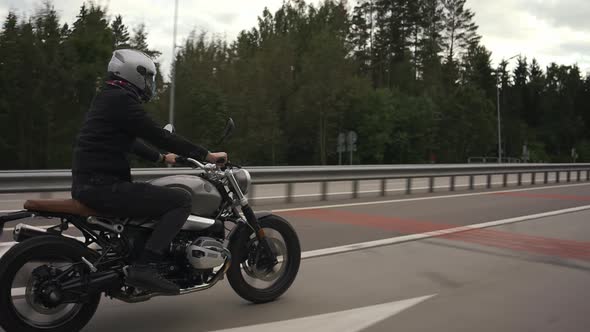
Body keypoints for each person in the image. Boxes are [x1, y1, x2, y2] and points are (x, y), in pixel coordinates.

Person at [71, 49, 227, 294]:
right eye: (150, 78)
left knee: (153, 197)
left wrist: (161, 157)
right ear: (136, 75)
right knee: (180, 201)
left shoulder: (107, 98)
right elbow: (158, 134)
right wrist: (207, 155)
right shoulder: (122, 101)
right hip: (103, 186)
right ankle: (145, 266)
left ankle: (137, 255)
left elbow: (129, 140)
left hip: (91, 184)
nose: (151, 84)